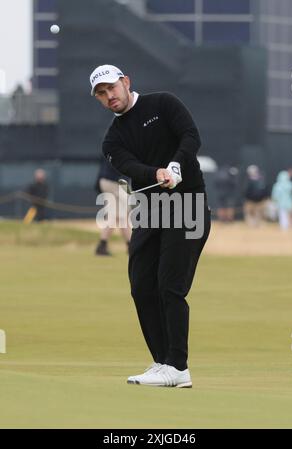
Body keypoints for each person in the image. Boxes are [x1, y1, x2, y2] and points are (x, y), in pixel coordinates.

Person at [90, 64, 211, 388]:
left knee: (169, 286)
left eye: (111, 88)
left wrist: (176, 164)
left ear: (126, 82)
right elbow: (131, 167)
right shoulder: (112, 140)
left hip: (189, 207)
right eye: (101, 94)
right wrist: (157, 173)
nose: (108, 96)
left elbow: (190, 136)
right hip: (150, 211)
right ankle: (162, 362)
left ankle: (178, 367)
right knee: (141, 284)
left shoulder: (163, 103)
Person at [94, 155, 131, 255]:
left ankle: (103, 245)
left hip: (105, 181)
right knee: (121, 215)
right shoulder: (124, 147)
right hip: (115, 182)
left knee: (118, 216)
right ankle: (129, 245)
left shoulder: (111, 144)